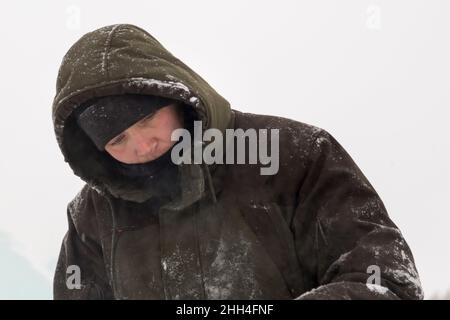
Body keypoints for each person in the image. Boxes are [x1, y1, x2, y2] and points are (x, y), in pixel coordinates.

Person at [52, 24, 424, 300]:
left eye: (147, 120)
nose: (143, 144)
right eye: (118, 140)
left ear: (176, 98)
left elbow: (385, 281)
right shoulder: (92, 214)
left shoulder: (291, 155)